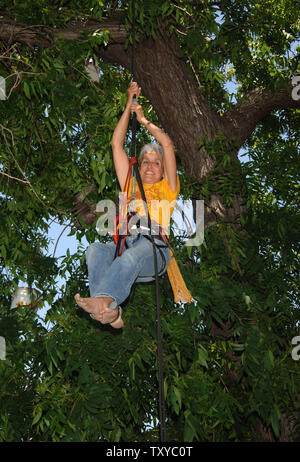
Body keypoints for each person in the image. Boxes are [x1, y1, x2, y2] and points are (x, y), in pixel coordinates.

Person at [75, 82, 179, 328]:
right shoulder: (129, 186)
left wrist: (144, 121)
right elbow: (116, 145)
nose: (149, 166)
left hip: (154, 248)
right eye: (144, 162)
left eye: (156, 163)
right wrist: (128, 105)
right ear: (138, 167)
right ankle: (109, 309)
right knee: (95, 251)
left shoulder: (168, 189)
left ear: (164, 170)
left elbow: (167, 146)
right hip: (125, 246)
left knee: (128, 260)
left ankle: (106, 302)